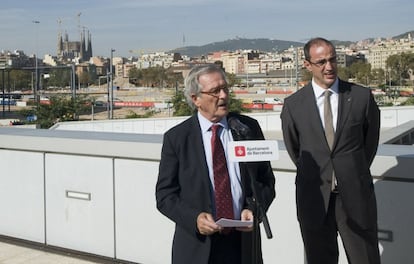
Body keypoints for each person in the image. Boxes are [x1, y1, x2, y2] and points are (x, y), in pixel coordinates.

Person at [156, 64, 275, 264]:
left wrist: (253, 209)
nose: (223, 96)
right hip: (197, 247)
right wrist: (194, 219)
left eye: (225, 89)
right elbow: (165, 196)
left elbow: (265, 180)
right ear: (196, 99)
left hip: (243, 245)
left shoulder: (247, 129)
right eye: (215, 91)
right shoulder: (177, 138)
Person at [281, 37, 381, 264]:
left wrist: (351, 172)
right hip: (314, 199)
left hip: (356, 198)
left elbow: (369, 143)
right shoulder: (294, 105)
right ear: (307, 65)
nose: (329, 67)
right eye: (321, 62)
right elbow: (296, 150)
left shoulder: (361, 98)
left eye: (333, 59)